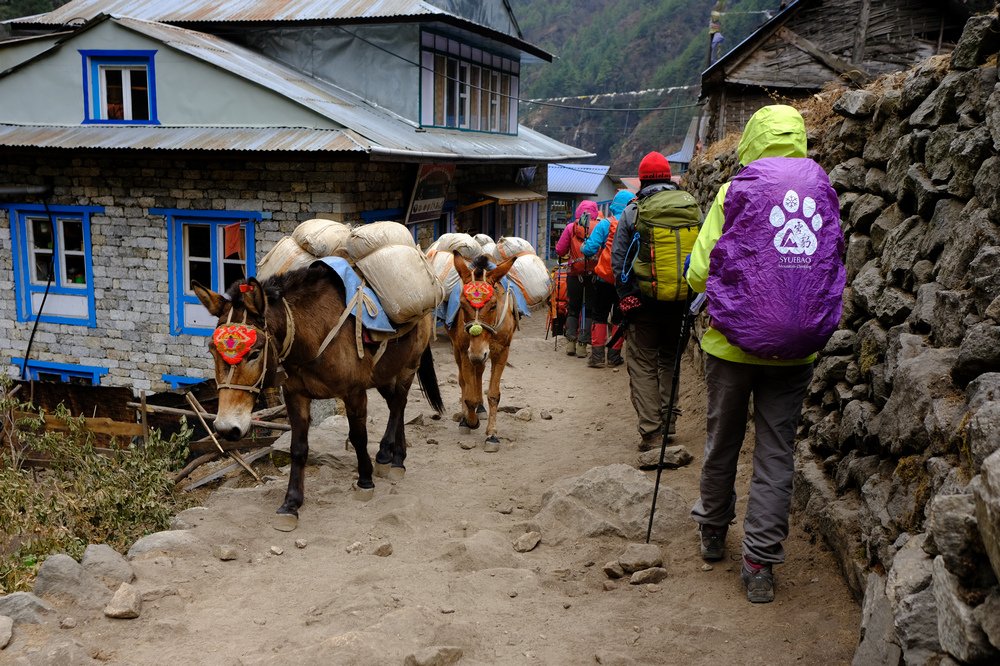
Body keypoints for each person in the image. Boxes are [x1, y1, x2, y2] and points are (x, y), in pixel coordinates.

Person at [686, 104, 845, 604]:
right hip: (796, 350)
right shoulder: (824, 190)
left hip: (730, 344)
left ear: (752, 139)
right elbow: (833, 260)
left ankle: (713, 529)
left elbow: (696, 272)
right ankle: (759, 564)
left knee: (723, 440)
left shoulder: (734, 191)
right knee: (776, 454)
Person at [610, 152, 702, 451]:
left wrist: (627, 299)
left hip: (645, 304)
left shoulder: (633, 212)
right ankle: (670, 423)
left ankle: (651, 431)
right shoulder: (692, 209)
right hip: (682, 303)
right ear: (669, 177)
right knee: (669, 361)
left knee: (643, 364)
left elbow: (619, 263)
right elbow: (704, 257)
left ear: (642, 180)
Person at [580, 189, 635, 368]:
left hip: (604, 278)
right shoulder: (635, 223)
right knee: (619, 317)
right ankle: (614, 356)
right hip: (625, 280)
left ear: (614, 206)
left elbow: (589, 250)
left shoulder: (606, 224)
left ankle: (597, 357)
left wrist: (584, 246)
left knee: (599, 315)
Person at [554, 200, 600, 358]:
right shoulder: (599, 226)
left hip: (575, 275)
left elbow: (560, 251)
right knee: (590, 310)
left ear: (578, 212)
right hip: (594, 275)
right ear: (595, 212)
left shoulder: (570, 227)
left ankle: (570, 344)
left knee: (573, 307)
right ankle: (583, 345)